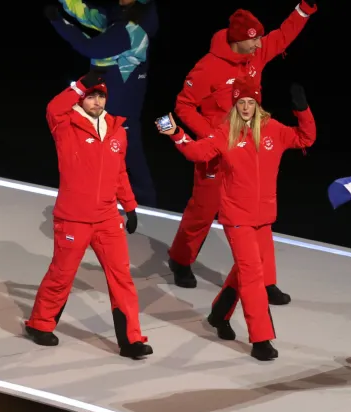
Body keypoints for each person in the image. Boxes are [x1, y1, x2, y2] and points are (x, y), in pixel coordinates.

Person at [157, 76, 316, 361]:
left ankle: (219, 314)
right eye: (240, 102)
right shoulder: (225, 132)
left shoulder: (273, 130)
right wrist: (175, 133)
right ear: (235, 104)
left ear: (257, 103)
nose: (245, 107)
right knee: (253, 275)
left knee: (246, 269)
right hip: (237, 218)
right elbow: (198, 152)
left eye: (250, 102)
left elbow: (306, 138)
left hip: (264, 216)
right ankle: (261, 339)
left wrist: (302, 110)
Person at [167, 2, 318, 301]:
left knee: (258, 215)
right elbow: (183, 105)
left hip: (250, 148)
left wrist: (304, 10)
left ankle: (265, 281)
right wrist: (213, 134)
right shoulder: (207, 67)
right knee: (203, 210)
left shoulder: (256, 54)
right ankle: (180, 260)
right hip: (218, 148)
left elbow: (282, 36)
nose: (260, 43)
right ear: (238, 39)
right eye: (254, 38)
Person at [25, 69, 153, 360]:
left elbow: (120, 172)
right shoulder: (65, 124)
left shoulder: (117, 129)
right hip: (73, 218)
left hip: (108, 218)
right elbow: (52, 107)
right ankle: (40, 324)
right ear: (81, 99)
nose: (96, 102)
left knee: (122, 278)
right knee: (62, 274)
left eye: (100, 97)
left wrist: (130, 206)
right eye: (90, 97)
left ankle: (131, 340)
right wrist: (79, 84)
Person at [45, 0, 160, 207]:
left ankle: (145, 206)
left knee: (126, 157)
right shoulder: (121, 18)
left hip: (121, 104)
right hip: (111, 101)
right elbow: (88, 14)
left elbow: (90, 47)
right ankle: (112, 200)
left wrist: (58, 21)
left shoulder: (130, 29)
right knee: (109, 154)